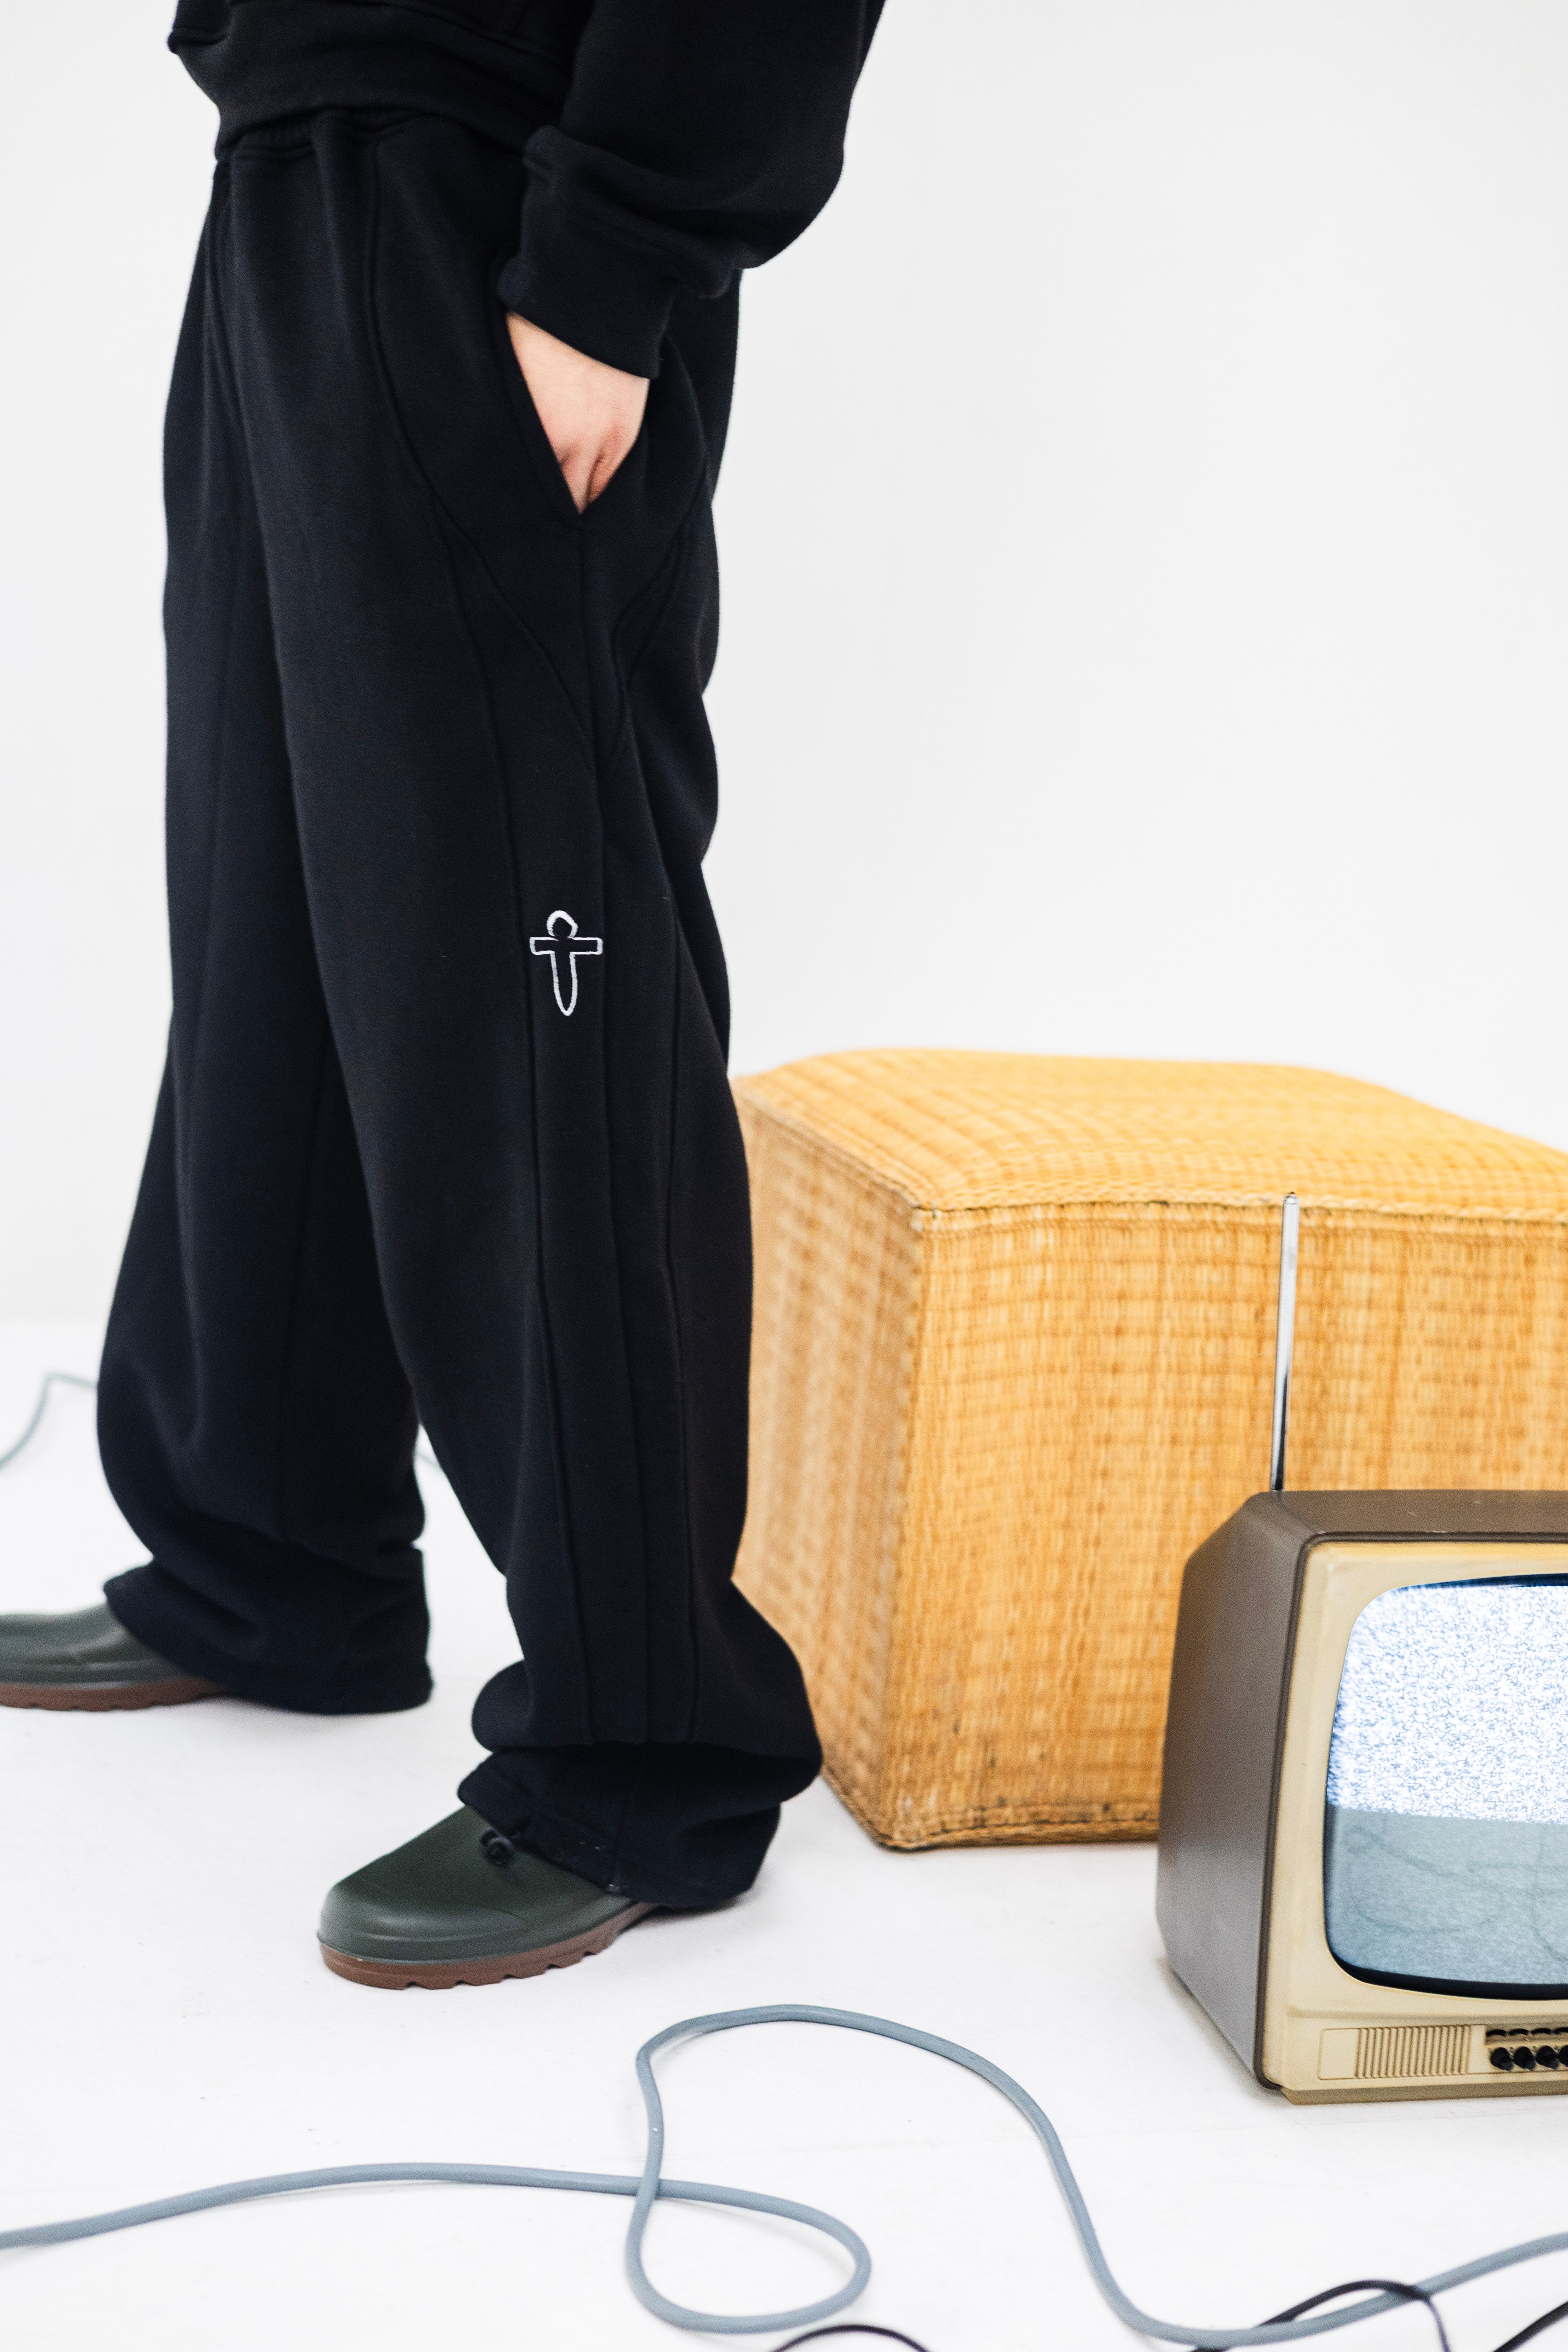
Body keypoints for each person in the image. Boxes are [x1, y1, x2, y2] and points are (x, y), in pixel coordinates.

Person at [0, 0, 882, 1988]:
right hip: (290, 165)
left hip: (499, 196)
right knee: (277, 915)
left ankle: (647, 1743)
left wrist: (617, 256)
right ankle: (272, 1559)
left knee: (530, 978)